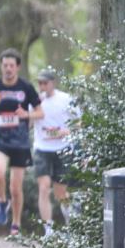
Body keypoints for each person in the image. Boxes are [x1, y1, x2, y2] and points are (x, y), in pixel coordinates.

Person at [0, 48, 43, 235]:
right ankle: (2, 202)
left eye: (11, 66)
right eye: (5, 65)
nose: (8, 69)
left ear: (18, 67)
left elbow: (40, 112)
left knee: (16, 187)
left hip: (20, 141)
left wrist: (26, 114)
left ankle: (16, 224)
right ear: (1, 66)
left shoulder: (26, 87)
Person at [32, 68, 78, 237]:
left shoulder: (66, 99)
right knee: (43, 188)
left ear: (53, 83)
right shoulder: (35, 101)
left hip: (62, 148)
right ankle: (48, 230)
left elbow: (79, 123)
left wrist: (62, 132)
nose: (42, 86)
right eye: (40, 83)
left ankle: (72, 226)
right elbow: (29, 120)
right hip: (42, 148)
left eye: (45, 83)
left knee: (60, 193)